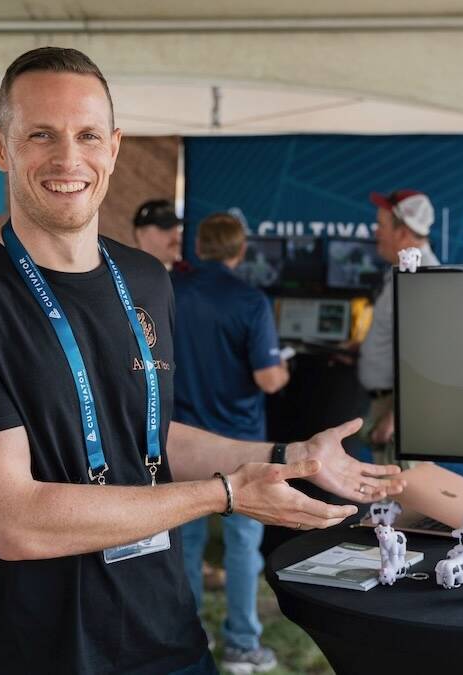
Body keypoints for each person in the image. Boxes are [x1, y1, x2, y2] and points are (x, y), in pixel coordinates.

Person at [0, 46, 402, 675]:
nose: (67, 158)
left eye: (87, 135)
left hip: (169, 637)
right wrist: (222, 495)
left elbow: (148, 436)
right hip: (39, 652)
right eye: (41, 135)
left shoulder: (146, 278)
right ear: (0, 145)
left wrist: (284, 457)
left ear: (114, 146)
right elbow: (16, 521)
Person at [172, 213, 290, 673]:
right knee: (243, 545)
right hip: (241, 446)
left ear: (199, 248)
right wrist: (284, 368)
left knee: (185, 543)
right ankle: (242, 645)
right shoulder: (250, 300)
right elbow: (268, 377)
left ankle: (187, 638)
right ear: (241, 251)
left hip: (181, 441)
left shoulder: (169, 291)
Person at [359, 190, 441, 460]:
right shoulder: (401, 272)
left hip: (402, 415)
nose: (376, 232)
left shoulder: (421, 280)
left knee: (399, 498)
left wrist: (396, 419)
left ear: (404, 232)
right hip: (390, 406)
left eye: (381, 225)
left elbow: (428, 359)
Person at [132, 198, 184, 270]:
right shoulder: (121, 274)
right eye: (166, 228)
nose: (177, 237)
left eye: (177, 229)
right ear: (141, 233)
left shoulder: (190, 277)